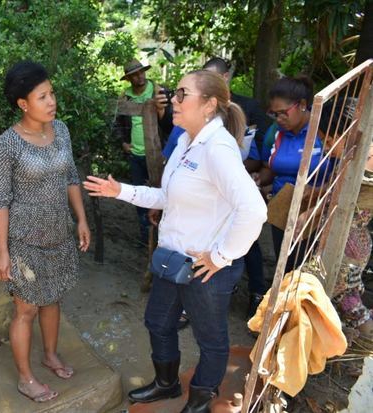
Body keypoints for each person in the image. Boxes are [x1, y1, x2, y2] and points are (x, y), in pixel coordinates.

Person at [84, 70, 266, 413]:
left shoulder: (218, 148)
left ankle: (200, 399)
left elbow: (254, 209)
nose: (173, 100)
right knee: (158, 322)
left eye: (183, 94)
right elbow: (168, 195)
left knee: (210, 339)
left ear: (210, 105)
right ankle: (167, 384)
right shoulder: (186, 141)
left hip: (204, 267)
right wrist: (119, 190)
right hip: (173, 258)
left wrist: (221, 256)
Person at [0, 61, 90, 403]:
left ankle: (49, 354)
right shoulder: (7, 145)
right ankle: (25, 377)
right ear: (23, 103)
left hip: (59, 234)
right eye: (42, 96)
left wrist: (81, 219)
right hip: (23, 241)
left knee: (53, 297)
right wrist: (2, 251)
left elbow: (71, 177)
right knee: (26, 309)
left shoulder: (60, 130)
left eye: (52, 94)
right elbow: (0, 201)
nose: (52, 101)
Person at [202, 57, 268, 316]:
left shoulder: (249, 106)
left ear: (226, 77)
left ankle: (256, 292)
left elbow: (261, 151)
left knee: (247, 240)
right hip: (208, 187)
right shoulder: (199, 107)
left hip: (239, 182)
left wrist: (239, 173)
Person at [255, 75, 329, 273]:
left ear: (302, 105)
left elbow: (344, 173)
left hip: (317, 212)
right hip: (283, 210)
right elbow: (270, 167)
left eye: (283, 113)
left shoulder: (324, 130)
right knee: (286, 266)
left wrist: (316, 191)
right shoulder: (276, 133)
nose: (279, 119)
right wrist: (260, 178)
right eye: (274, 114)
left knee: (311, 271)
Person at [113, 58, 172, 244]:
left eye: (141, 72)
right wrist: (123, 142)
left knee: (161, 193)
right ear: (128, 78)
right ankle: (144, 235)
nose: (139, 77)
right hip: (135, 155)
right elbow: (118, 124)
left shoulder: (158, 91)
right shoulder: (125, 97)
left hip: (157, 154)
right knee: (138, 194)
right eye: (134, 75)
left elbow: (170, 121)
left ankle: (162, 235)